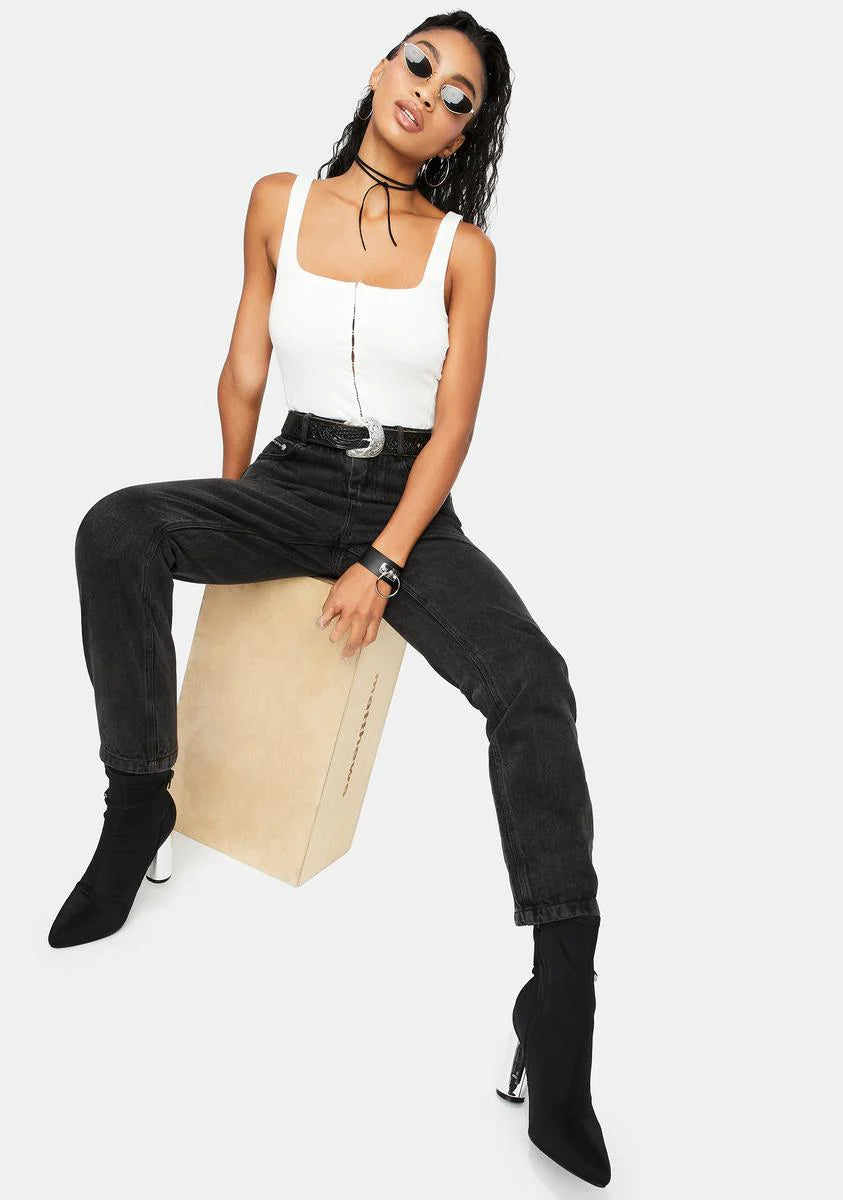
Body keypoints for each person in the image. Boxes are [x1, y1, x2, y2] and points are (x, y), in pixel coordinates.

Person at [48, 13, 611, 1188]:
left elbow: (454, 426)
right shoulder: (276, 202)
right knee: (116, 528)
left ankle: (560, 1005)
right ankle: (138, 804)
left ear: (463, 136)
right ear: (378, 67)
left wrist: (388, 560)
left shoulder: (464, 252)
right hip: (289, 479)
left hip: (409, 501)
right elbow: (245, 365)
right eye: (420, 64)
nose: (429, 94)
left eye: (459, 98)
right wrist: (229, 514)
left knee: (534, 684)